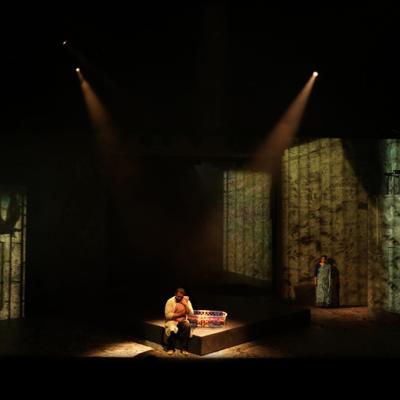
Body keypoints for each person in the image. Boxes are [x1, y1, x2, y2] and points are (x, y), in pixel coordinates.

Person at [164, 288, 194, 355]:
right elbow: (167, 315)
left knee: (187, 326)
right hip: (172, 320)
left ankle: (184, 349)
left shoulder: (186, 301)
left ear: (183, 296)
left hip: (182, 321)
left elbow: (191, 313)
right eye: (178, 296)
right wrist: (181, 314)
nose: (179, 298)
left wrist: (185, 304)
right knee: (172, 328)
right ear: (175, 294)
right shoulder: (170, 301)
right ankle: (170, 348)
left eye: (181, 297)